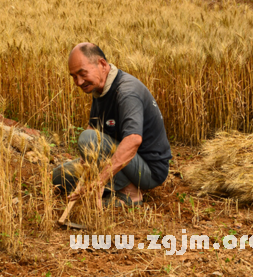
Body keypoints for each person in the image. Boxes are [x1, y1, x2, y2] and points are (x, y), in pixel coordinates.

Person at [52, 42, 172, 208]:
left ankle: (131, 192)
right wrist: (86, 164)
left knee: (87, 139)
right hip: (124, 161)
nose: (78, 82)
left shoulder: (126, 92)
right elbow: (94, 128)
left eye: (82, 73)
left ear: (101, 64)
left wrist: (99, 180)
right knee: (59, 176)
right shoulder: (99, 87)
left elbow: (133, 140)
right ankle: (114, 185)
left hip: (148, 170)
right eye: (73, 76)